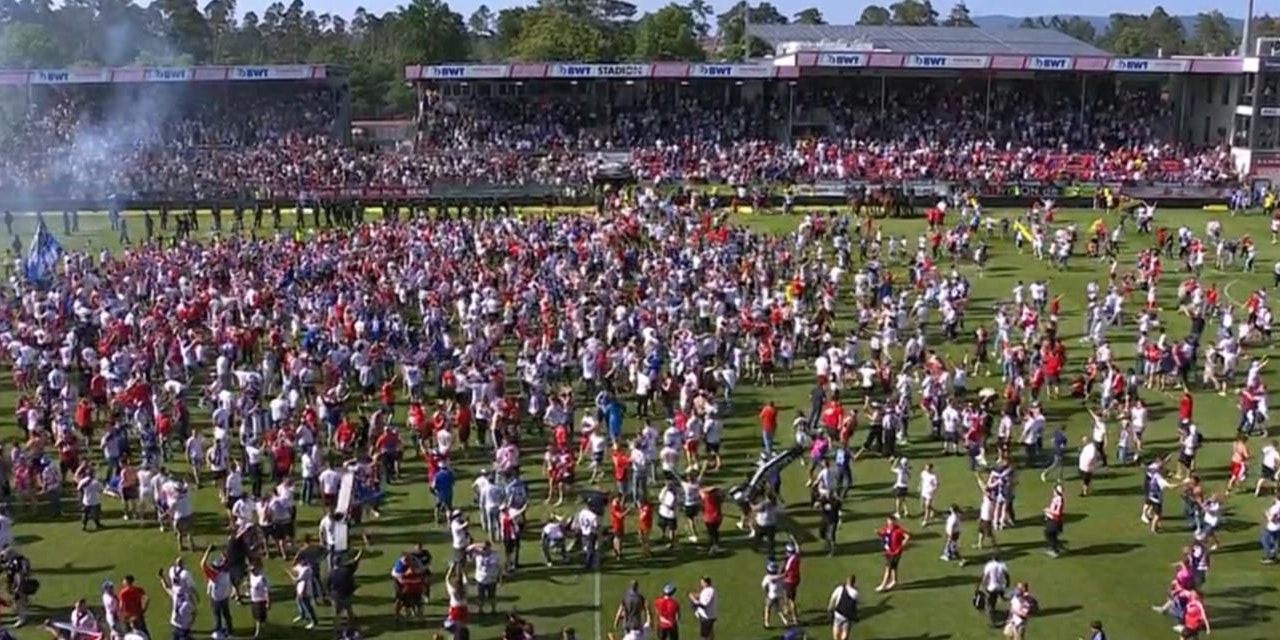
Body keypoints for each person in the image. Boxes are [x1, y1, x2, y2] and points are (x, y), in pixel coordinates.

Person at [825, 574, 859, 640]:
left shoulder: (840, 588)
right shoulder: (856, 593)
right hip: (848, 616)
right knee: (845, 631)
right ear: (854, 583)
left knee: (836, 627)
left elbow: (833, 598)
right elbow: (856, 604)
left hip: (838, 613)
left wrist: (830, 608)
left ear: (847, 581)